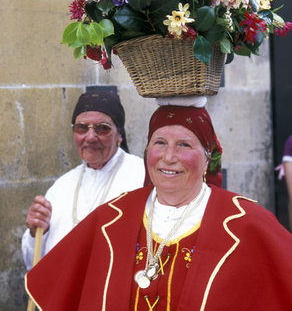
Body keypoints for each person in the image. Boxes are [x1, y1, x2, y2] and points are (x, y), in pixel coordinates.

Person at [25, 101, 292, 310]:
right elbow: (61, 286)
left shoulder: (246, 222)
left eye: (184, 145)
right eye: (159, 143)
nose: (168, 157)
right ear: (146, 151)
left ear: (207, 157)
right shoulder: (110, 218)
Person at [22, 90, 145, 270]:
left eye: (102, 128)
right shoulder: (61, 187)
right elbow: (33, 263)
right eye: (82, 128)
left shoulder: (142, 176)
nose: (90, 137)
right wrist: (36, 232)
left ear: (119, 135)